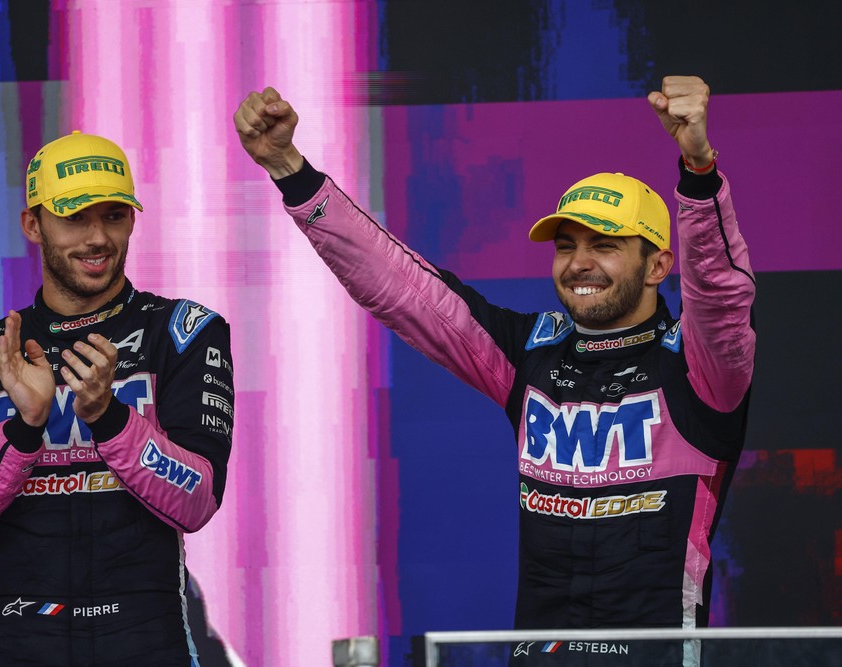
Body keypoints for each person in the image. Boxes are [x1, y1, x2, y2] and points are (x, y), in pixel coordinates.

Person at [236, 77, 754, 663]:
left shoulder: (700, 367)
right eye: (565, 244)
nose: (579, 263)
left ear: (658, 265)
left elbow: (721, 294)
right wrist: (290, 169)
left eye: (605, 245)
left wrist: (698, 169)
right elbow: (404, 287)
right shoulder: (530, 353)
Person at [0, 131, 235, 666]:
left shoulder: (183, 331)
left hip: (144, 635)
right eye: (74, 217)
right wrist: (24, 428)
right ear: (33, 224)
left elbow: (198, 500)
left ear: (133, 219)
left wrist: (109, 419)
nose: (97, 238)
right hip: (20, 634)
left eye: (113, 216)